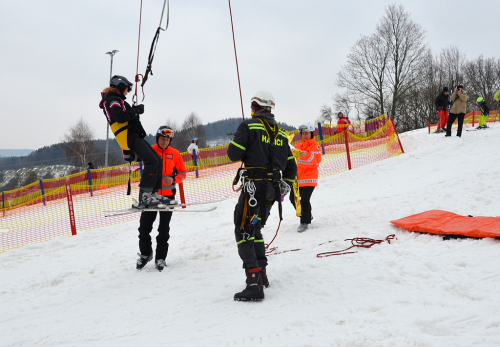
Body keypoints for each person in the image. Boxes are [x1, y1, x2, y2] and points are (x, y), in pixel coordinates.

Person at [228, 91, 297, 301]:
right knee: (255, 227)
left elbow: (233, 154)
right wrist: (285, 186)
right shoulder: (282, 135)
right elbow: (292, 167)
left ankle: (254, 282)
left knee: (243, 230)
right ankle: (262, 273)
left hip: (253, 190)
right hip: (271, 192)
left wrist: (241, 139)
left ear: (255, 107)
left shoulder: (248, 126)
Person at [99, 75, 175, 208]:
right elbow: (119, 116)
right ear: (121, 85)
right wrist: (135, 111)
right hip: (127, 136)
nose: (127, 92)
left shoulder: (118, 100)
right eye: (127, 89)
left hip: (133, 135)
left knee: (157, 160)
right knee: (151, 160)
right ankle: (145, 196)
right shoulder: (112, 99)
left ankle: (153, 193)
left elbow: (126, 114)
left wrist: (135, 110)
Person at [136, 126, 187, 271]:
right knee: (144, 228)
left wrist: (175, 179)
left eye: (167, 140)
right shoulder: (149, 150)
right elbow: (132, 154)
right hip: (151, 196)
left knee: (163, 229)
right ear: (157, 138)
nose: (165, 142)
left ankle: (161, 258)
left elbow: (183, 172)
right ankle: (146, 254)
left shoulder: (175, 153)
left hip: (168, 196)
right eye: (162, 139)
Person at [289, 123, 322, 232]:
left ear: (312, 134)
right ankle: (307, 215)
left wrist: (306, 155)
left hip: (310, 178)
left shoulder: (315, 146)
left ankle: (304, 222)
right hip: (298, 178)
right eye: (303, 134)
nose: (305, 136)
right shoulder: (298, 146)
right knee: (293, 199)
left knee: (304, 200)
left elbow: (316, 160)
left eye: (307, 133)